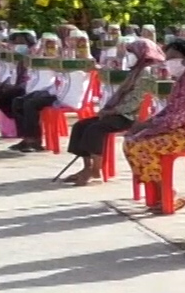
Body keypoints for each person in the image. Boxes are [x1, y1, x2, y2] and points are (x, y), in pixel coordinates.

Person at [124, 39, 185, 214]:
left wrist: (147, 128)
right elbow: (169, 111)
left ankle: (168, 195)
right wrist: (145, 125)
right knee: (131, 141)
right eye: (167, 58)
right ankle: (158, 193)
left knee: (141, 145)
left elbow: (177, 119)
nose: (169, 62)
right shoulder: (183, 80)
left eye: (174, 57)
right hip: (183, 130)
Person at [61, 38, 165, 185]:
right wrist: (108, 109)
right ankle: (87, 167)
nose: (129, 56)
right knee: (80, 126)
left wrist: (112, 111)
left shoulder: (146, 72)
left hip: (130, 116)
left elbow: (137, 100)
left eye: (132, 53)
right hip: (119, 112)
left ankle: (96, 170)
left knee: (95, 129)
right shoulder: (136, 70)